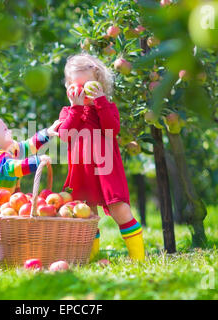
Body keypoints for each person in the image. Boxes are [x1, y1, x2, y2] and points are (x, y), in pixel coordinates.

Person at [57, 53, 145, 261]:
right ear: (69, 88)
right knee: (85, 214)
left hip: (107, 170)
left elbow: (111, 129)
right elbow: (64, 135)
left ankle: (139, 258)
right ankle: (92, 257)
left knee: (120, 209)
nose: (82, 90)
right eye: (76, 86)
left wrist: (101, 101)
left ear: (100, 84)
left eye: (88, 85)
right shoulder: (68, 112)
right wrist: (76, 108)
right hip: (82, 172)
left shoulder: (106, 107)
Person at [0, 115, 62, 225]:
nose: (10, 131)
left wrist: (47, 133)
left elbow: (27, 146)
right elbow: (12, 168)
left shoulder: (11, 150)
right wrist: (36, 161)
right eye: (5, 130)